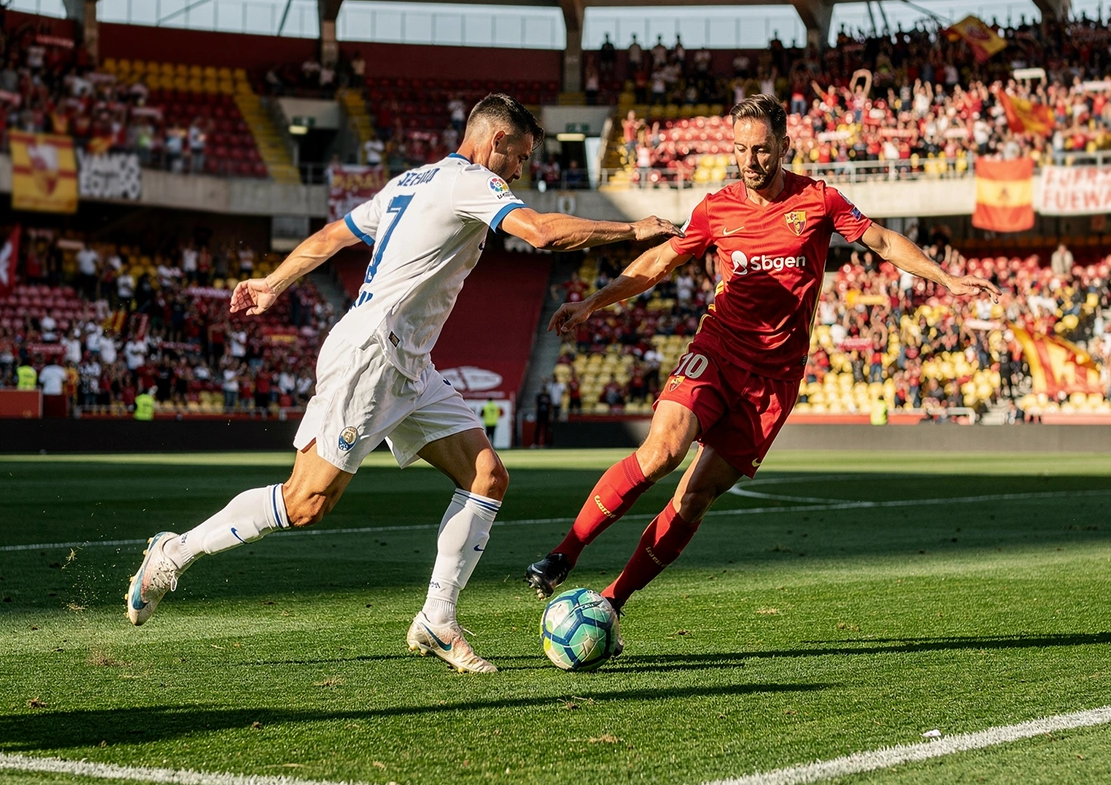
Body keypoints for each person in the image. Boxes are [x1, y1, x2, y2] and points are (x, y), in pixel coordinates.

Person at [125, 93, 682, 673]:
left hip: (408, 363)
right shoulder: (470, 182)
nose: (520, 171)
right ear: (496, 142)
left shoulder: (411, 182)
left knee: (486, 474)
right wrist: (631, 228)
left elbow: (333, 236)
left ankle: (437, 619)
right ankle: (174, 552)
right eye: (519, 156)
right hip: (370, 358)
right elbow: (539, 233)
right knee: (306, 502)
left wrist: (274, 281)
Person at [523, 94, 1000, 642]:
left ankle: (614, 599)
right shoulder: (715, 209)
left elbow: (883, 240)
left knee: (694, 497)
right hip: (718, 350)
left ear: (784, 147)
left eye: (763, 149)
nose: (751, 161)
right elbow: (658, 262)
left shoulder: (818, 201)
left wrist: (946, 278)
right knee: (660, 453)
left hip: (773, 381)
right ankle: (566, 552)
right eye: (742, 150)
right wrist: (592, 302)